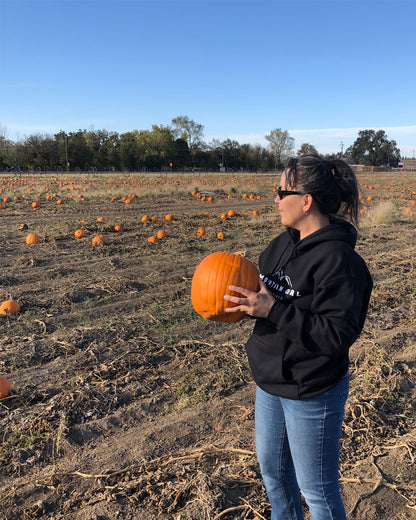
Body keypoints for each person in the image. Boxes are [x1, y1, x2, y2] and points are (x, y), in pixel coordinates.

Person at [223, 153, 373, 520]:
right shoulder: (280, 245)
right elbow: (268, 296)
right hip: (270, 383)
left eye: (281, 191)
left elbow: (335, 335)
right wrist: (242, 294)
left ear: (306, 201)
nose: (275, 199)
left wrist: (272, 310)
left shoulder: (341, 263)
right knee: (274, 476)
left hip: (311, 391)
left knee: (317, 492)